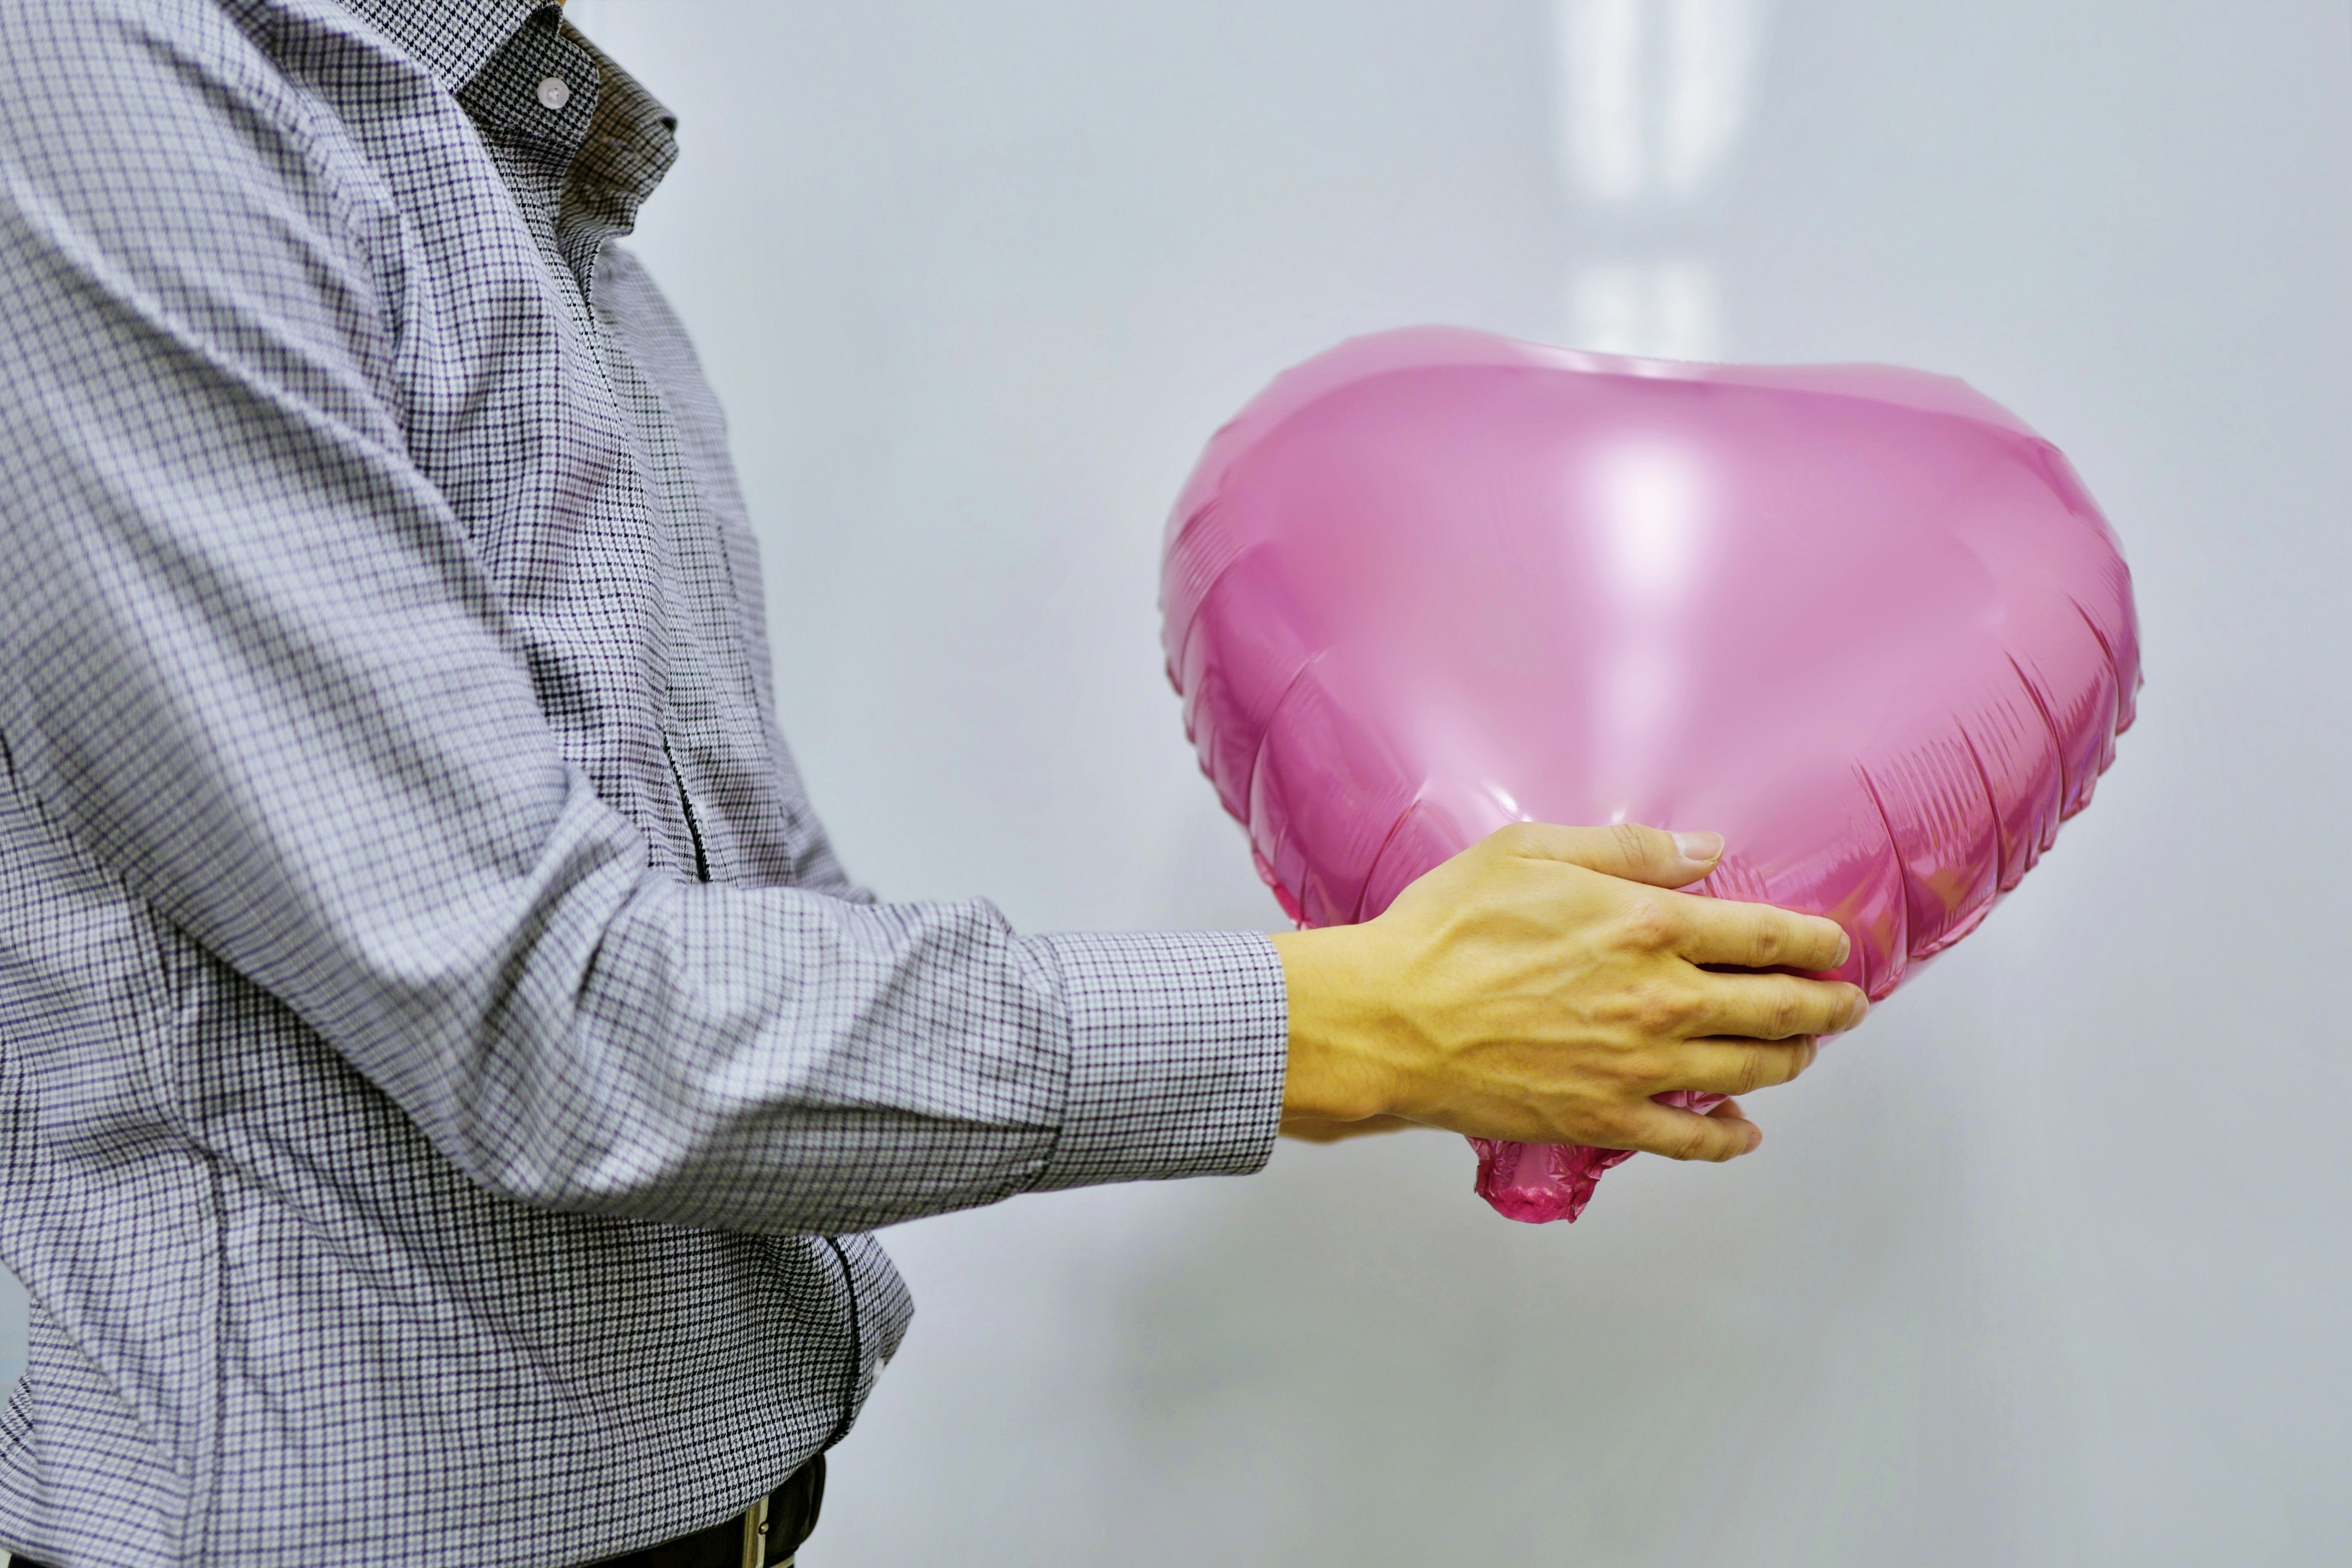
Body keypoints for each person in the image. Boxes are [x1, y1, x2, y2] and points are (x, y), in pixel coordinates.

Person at [0, 1, 1867, 1564]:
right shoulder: (120, 91)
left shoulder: (498, 154)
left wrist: (1465, 993)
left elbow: (733, 917)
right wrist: (1352, 1026)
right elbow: (557, 1017)